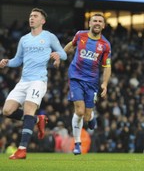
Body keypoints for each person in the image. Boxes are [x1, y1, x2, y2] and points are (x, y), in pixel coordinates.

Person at [0, 8, 67, 159]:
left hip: (38, 80)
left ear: (42, 21)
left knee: (28, 109)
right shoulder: (24, 39)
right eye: (31, 16)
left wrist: (57, 56)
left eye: (35, 16)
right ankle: (38, 120)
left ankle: (22, 149)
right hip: (24, 81)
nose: (32, 18)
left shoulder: (48, 37)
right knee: (7, 111)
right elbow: (18, 60)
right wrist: (7, 62)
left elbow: (63, 53)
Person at [64, 13, 111, 155]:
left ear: (103, 25)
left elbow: (107, 66)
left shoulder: (105, 45)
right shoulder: (80, 35)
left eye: (100, 21)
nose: (97, 23)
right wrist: (59, 55)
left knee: (86, 115)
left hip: (92, 82)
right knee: (79, 111)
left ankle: (91, 117)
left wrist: (105, 83)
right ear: (89, 23)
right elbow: (71, 46)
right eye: (94, 20)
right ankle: (77, 143)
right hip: (76, 78)